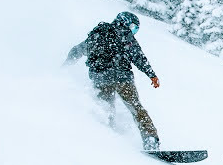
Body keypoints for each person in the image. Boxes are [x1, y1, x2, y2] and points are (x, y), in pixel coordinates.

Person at [64, 11, 161, 151]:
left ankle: (108, 137)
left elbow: (77, 50)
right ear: (125, 22)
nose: (133, 32)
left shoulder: (98, 33)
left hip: (100, 78)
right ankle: (150, 139)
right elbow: (139, 57)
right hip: (122, 78)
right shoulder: (126, 36)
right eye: (134, 28)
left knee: (106, 108)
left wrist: (65, 65)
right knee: (136, 108)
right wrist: (151, 75)